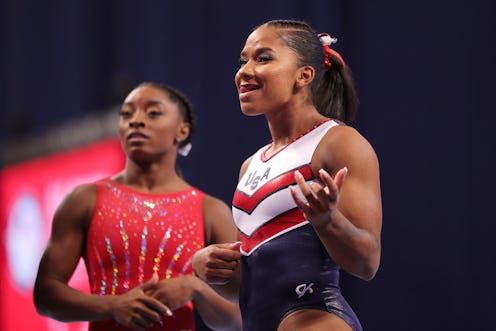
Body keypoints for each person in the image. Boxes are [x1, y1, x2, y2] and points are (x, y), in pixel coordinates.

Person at [192, 19, 382, 331]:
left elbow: (366, 263)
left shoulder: (338, 143)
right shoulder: (250, 165)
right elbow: (253, 287)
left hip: (315, 320)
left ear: (304, 75)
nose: (244, 71)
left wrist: (327, 221)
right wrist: (210, 270)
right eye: (243, 60)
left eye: (263, 58)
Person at [34, 82, 242, 331]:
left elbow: (237, 318)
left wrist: (194, 288)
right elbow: (46, 294)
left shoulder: (211, 211)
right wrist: (113, 305)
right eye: (126, 114)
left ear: (182, 131)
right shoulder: (84, 199)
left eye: (153, 112)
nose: (136, 121)